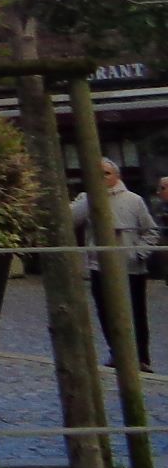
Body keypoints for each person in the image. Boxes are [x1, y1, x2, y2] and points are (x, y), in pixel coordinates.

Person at [72, 156, 158, 375]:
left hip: (130, 268)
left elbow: (151, 231)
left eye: (106, 174)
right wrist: (89, 198)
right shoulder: (87, 199)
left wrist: (138, 253)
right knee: (105, 312)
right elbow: (71, 219)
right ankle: (116, 352)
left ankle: (140, 357)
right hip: (99, 267)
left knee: (136, 313)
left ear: (116, 176)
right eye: (97, 174)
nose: (102, 178)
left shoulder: (134, 200)